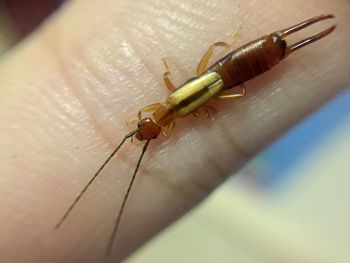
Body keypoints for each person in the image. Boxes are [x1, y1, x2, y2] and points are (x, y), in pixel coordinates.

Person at [0, 1, 349, 262]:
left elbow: (202, 108)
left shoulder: (177, 118)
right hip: (226, 71)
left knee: (248, 69)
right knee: (248, 61)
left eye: (143, 127)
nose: (145, 128)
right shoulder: (168, 105)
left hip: (230, 73)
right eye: (146, 129)